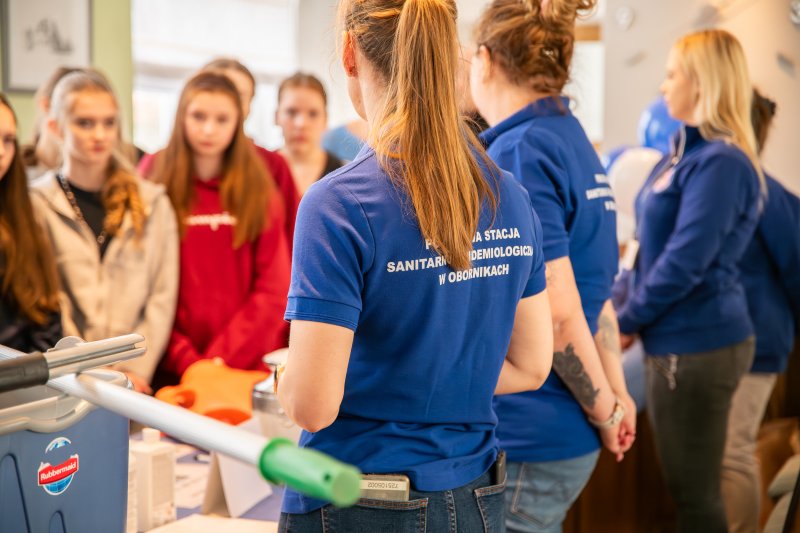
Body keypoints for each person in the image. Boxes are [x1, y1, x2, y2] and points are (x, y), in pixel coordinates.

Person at [275, 0, 554, 531]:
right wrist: (431, 378)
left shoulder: (337, 204)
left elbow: (312, 406)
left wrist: (287, 376)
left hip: (358, 500)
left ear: (350, 52)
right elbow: (531, 366)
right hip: (475, 498)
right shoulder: (509, 196)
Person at [470, 1, 636, 530]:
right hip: (566, 431)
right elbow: (596, 293)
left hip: (533, 434)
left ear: (484, 60)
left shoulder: (519, 152)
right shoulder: (571, 138)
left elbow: (560, 315)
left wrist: (608, 410)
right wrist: (615, 395)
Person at [614, 29, 763, 532]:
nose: (663, 86)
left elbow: (684, 261)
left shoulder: (722, 162)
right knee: (685, 489)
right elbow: (643, 247)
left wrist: (626, 322)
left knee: (694, 495)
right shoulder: (680, 153)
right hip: (672, 340)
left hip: (699, 344)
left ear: (701, 82)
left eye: (672, 74)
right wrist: (618, 304)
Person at [140, 71, 291, 388]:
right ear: (181, 115)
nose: (208, 129)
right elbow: (140, 283)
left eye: (222, 119)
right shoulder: (154, 176)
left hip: (240, 371)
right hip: (169, 369)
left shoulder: (258, 187)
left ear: (238, 123)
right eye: (198, 116)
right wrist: (187, 361)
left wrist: (217, 363)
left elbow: (273, 290)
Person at [31, 71, 179, 394]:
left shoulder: (152, 202)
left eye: (108, 123)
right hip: (69, 380)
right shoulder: (38, 203)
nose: (99, 135)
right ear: (56, 127)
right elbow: (51, 299)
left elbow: (162, 296)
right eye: (84, 123)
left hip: (136, 380)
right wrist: (83, 370)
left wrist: (134, 371)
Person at [721, 89, 800, 533]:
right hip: (728, 343)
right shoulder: (726, 188)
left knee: (732, 452)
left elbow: (796, 270)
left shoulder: (768, 195)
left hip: (758, 344)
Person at [200, 58, 300, 244]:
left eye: (239, 95)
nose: (228, 103)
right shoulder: (163, 164)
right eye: (220, 91)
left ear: (250, 105)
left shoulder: (273, 167)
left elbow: (293, 239)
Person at [0, 93, 62, 352]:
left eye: (8, 140)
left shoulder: (20, 218)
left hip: (24, 371)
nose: (1, 152)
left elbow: (44, 314)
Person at [275, 73, 344, 195]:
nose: (301, 124)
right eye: (291, 112)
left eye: (313, 114)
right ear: (276, 116)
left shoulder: (342, 174)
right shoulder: (260, 169)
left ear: (325, 119)